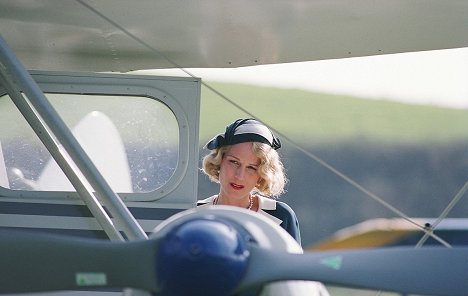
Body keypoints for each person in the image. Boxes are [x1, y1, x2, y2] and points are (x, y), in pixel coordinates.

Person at [198, 118, 301, 245]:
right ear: (219, 161)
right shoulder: (194, 213)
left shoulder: (281, 216)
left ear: (262, 174)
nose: (239, 176)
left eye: (251, 168)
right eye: (234, 162)